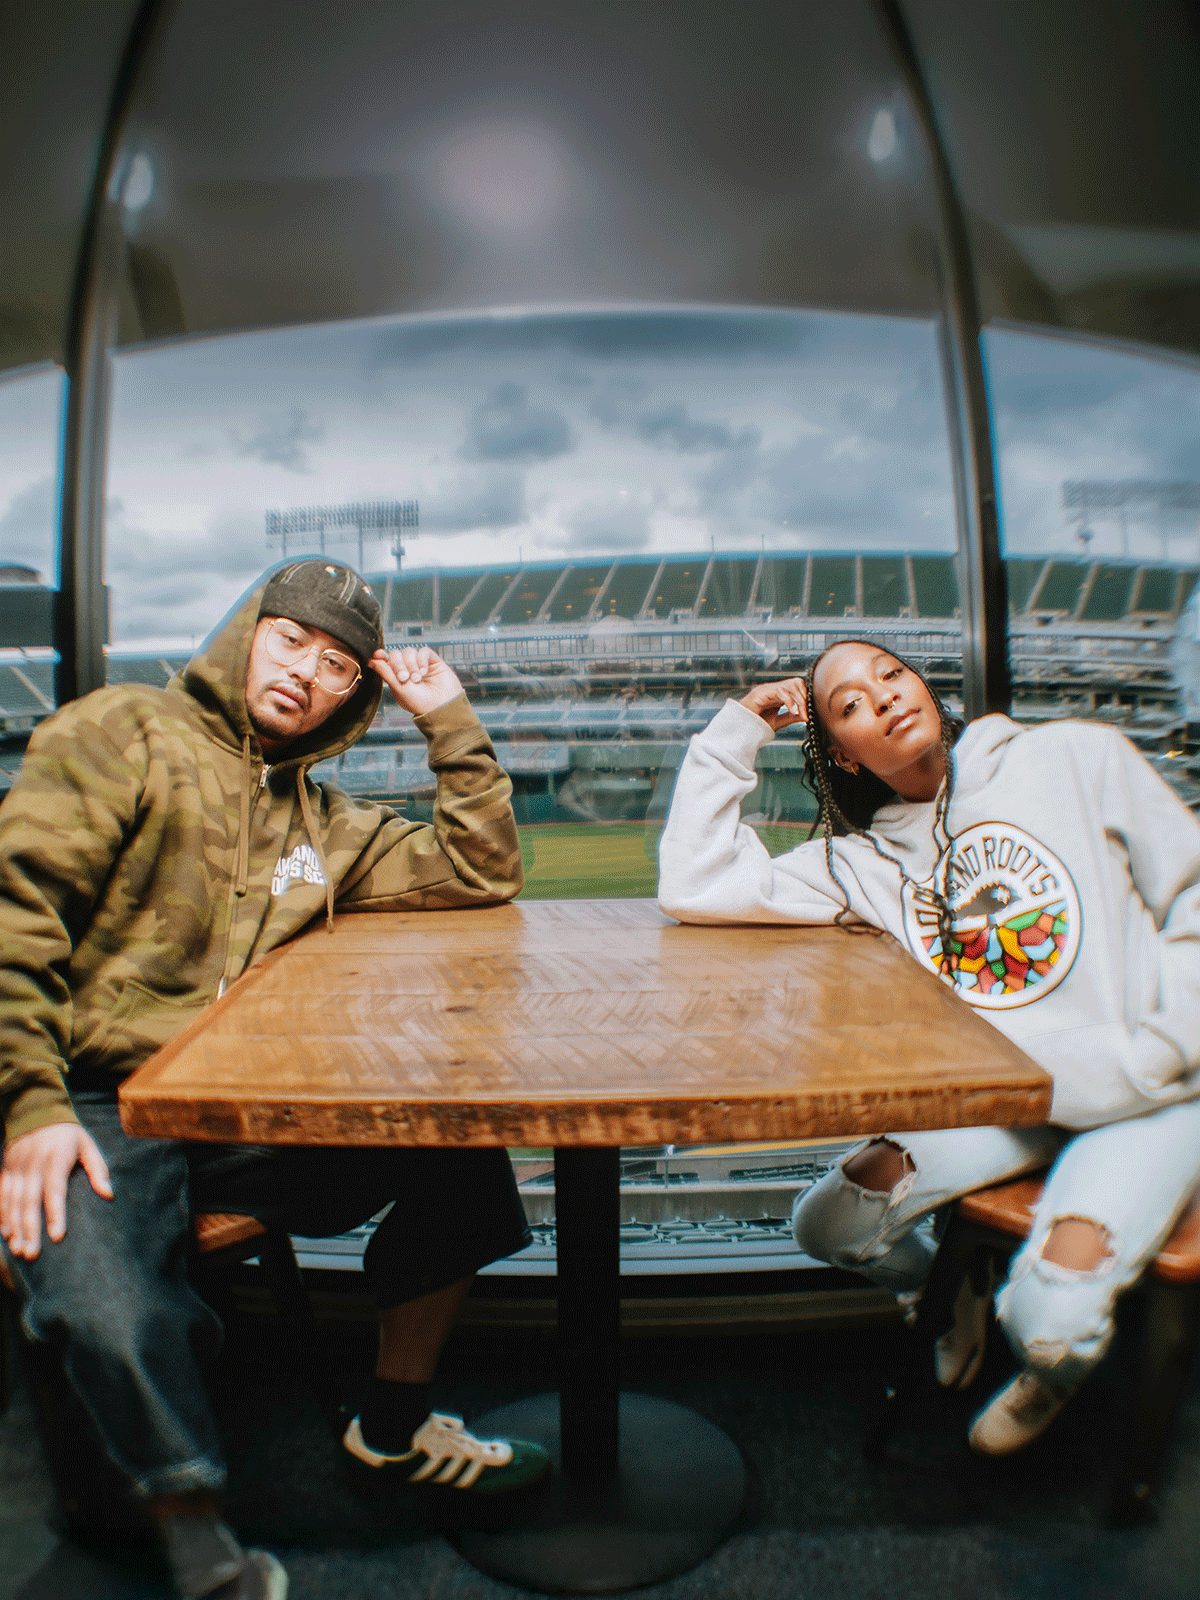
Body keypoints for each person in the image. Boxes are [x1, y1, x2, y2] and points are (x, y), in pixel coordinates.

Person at [0, 559, 547, 1600]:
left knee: (462, 1151)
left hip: (238, 1100)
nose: (306, 670)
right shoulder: (122, 731)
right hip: (92, 1095)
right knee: (105, 1300)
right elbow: (12, 922)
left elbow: (482, 871)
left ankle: (391, 1427)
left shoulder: (328, 822)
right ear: (244, 631)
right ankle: (195, 1538)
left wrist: (449, 719)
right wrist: (28, 1108)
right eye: (290, 638)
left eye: (338, 663)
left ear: (354, 697)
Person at [658, 637, 1200, 1458]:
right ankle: (948, 1296)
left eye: (891, 675)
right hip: (1015, 1104)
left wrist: (1169, 1047)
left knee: (1050, 1325)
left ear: (923, 689)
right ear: (844, 753)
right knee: (831, 1222)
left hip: (1150, 1093)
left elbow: (1192, 890)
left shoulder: (1076, 756)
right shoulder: (862, 865)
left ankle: (1050, 1369)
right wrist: (739, 728)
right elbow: (694, 885)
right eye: (849, 704)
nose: (881, 696)